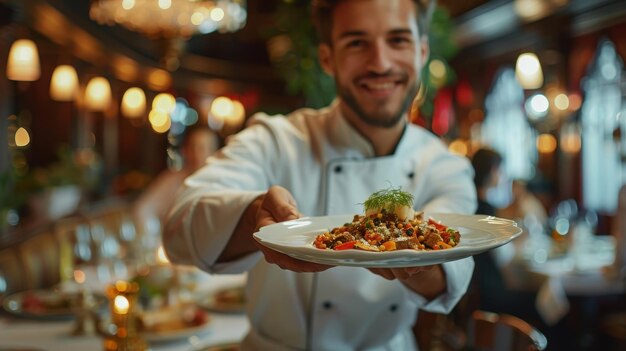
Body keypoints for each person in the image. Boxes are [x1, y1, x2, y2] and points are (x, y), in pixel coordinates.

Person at [164, 1, 476, 349]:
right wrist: (253, 214)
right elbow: (180, 226)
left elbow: (455, 270)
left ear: (421, 51)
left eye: (398, 40)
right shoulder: (277, 139)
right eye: (357, 43)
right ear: (328, 58)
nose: (381, 63)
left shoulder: (445, 164)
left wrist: (411, 255)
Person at [133, 124, 220, 230]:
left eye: (202, 148)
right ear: (185, 150)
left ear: (214, 153)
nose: (196, 154)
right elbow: (142, 211)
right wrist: (157, 238)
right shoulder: (171, 180)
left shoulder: (220, 183)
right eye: (193, 147)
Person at [470, 148, 502, 217]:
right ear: (491, 170)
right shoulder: (485, 209)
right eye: (499, 169)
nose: (500, 174)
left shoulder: (468, 199)